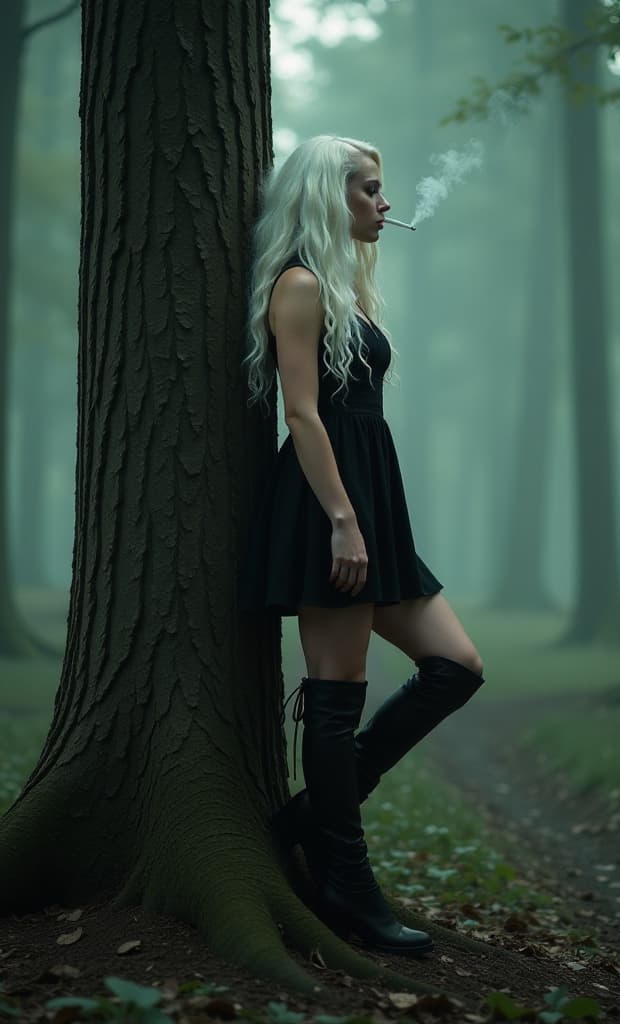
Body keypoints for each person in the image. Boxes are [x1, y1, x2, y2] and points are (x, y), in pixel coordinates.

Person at [240, 136, 484, 957]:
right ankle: (345, 880)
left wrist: (364, 514)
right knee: (338, 692)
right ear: (327, 195)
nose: (385, 203)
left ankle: (307, 820)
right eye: (370, 189)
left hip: (372, 500)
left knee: (457, 666)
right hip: (330, 505)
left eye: (385, 191)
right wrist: (343, 519)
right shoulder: (301, 285)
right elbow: (302, 414)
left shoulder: (342, 285)